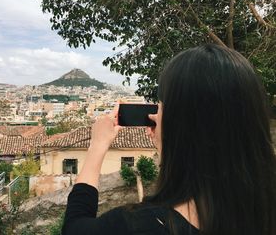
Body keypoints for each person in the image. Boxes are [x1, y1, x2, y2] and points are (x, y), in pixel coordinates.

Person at [61, 44, 276, 235]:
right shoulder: (263, 208)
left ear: (182, 125)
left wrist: (97, 146)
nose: (155, 115)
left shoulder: (142, 225)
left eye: (161, 105)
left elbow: (75, 227)